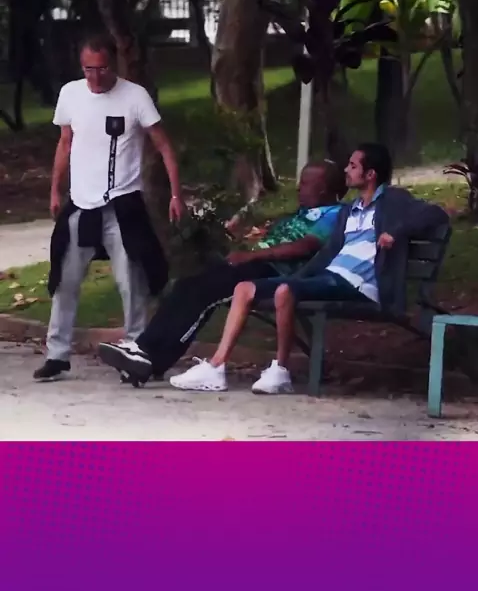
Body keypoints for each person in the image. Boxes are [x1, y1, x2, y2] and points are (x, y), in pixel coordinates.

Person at [167, 142, 450, 395]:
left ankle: (280, 371)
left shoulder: (393, 200)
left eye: (353, 166)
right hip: (332, 277)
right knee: (244, 288)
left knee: (285, 291)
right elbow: (327, 253)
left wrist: (395, 233)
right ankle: (216, 368)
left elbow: (435, 214)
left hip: (359, 284)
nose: (346, 170)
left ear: (370, 174)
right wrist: (299, 277)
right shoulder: (349, 210)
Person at [98, 160, 347, 388]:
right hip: (258, 264)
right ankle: (143, 351)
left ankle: (150, 357)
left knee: (206, 293)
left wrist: (251, 256)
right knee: (187, 285)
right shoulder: (302, 213)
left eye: (305, 182)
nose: (298, 187)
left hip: (272, 272)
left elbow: (305, 247)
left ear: (323, 188)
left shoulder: (335, 215)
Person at [34, 34, 185, 381]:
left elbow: (164, 146)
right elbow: (65, 143)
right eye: (88, 69)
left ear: (113, 63)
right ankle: (57, 354)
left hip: (121, 204)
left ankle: (135, 352)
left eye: (101, 69)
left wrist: (176, 194)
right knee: (64, 280)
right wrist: (55, 189)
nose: (95, 77)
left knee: (131, 282)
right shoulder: (71, 94)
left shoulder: (135, 96)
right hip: (80, 203)